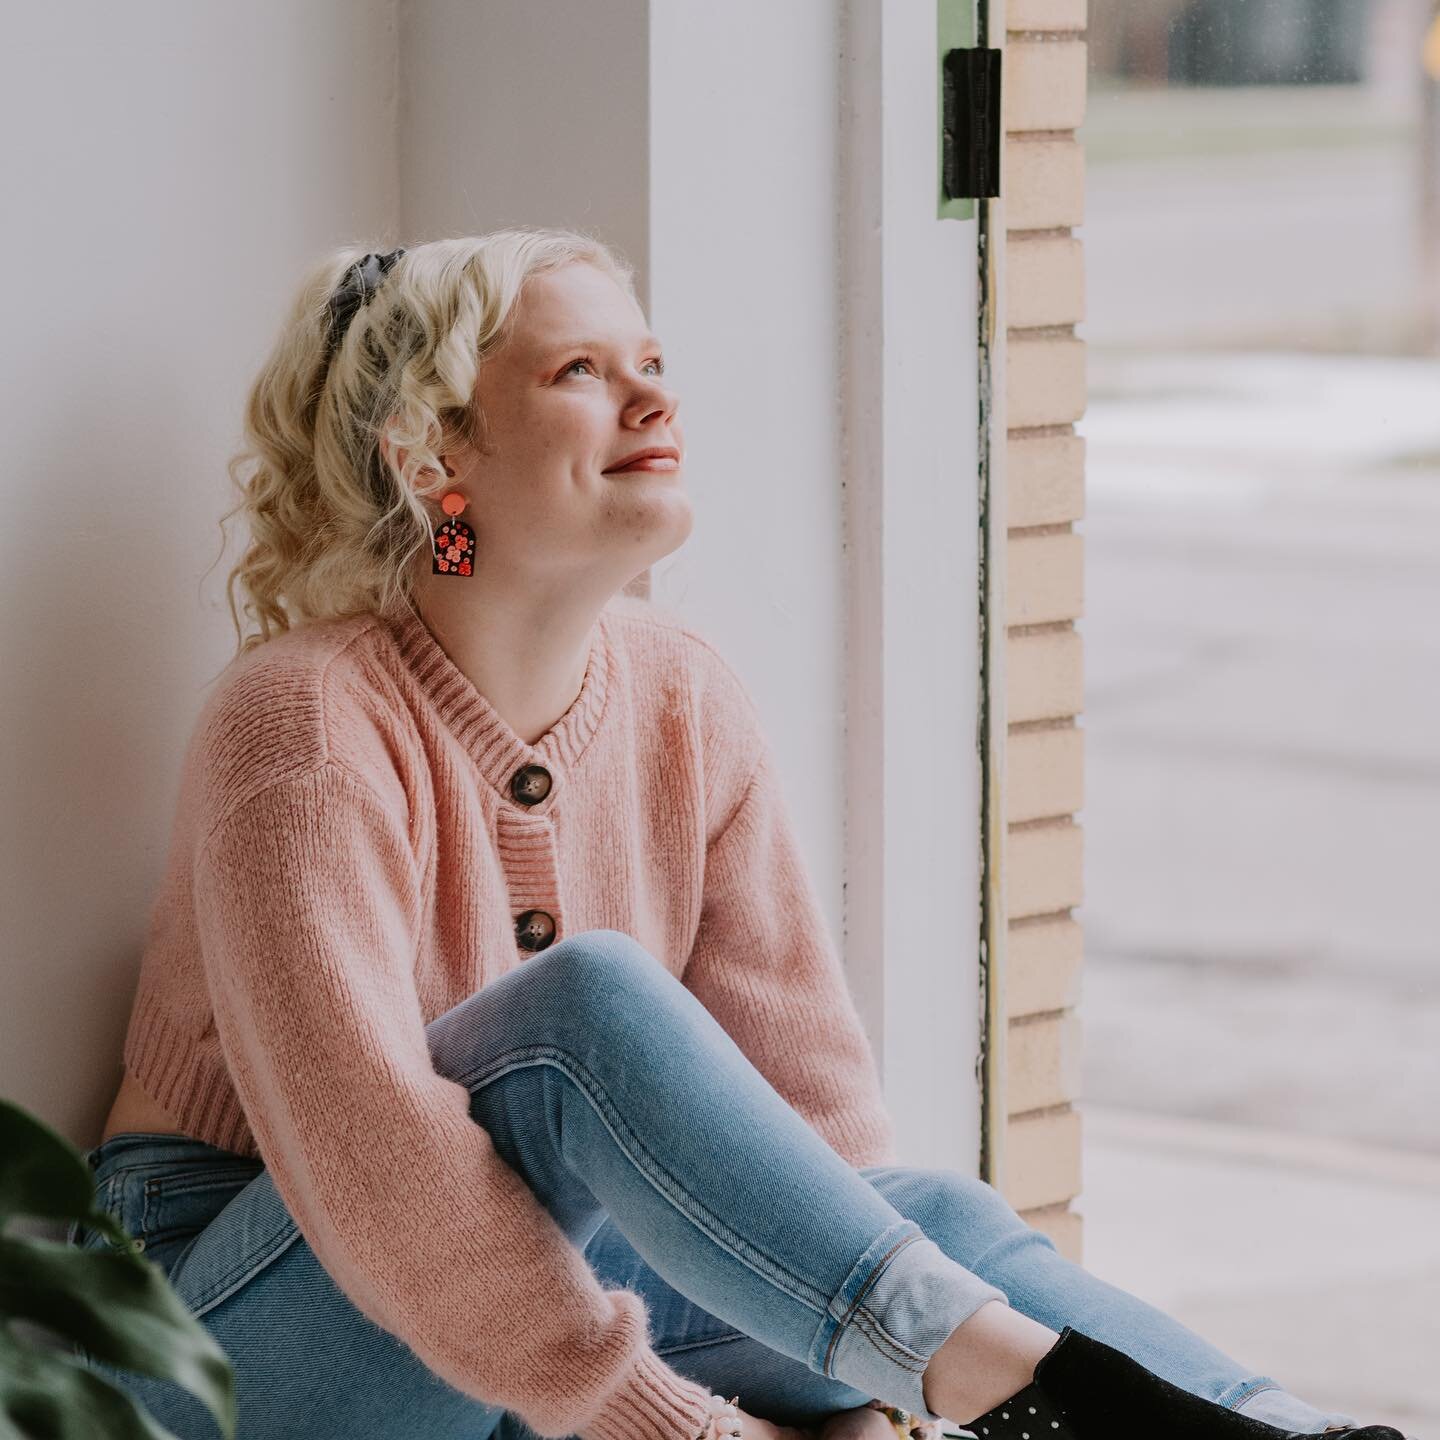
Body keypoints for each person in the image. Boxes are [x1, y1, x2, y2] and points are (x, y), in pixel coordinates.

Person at [71, 228, 1403, 1440]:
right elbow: (384, 1181)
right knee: (577, 1011)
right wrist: (691, 1430)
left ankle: (1285, 1435)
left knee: (933, 1216)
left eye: (650, 364)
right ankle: (990, 1380)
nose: (654, 400)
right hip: (214, 1341)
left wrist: (866, 1400)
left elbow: (819, 1140)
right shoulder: (302, 724)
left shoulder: (683, 698)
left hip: (528, 1297)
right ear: (434, 458)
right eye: (582, 371)